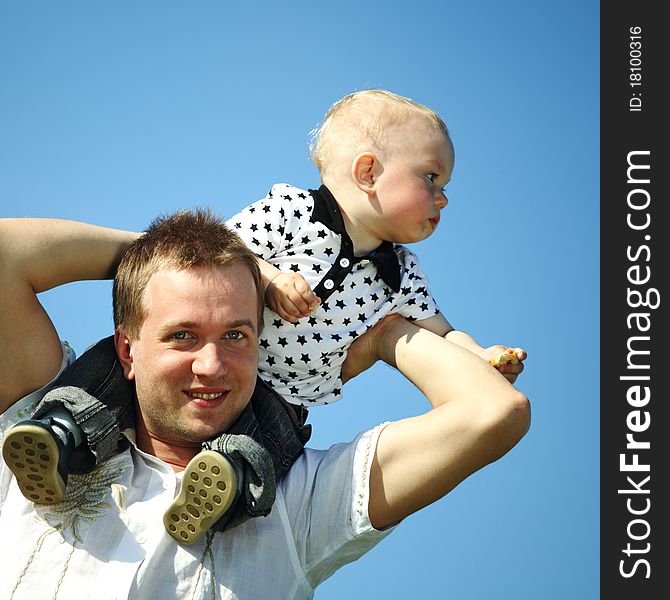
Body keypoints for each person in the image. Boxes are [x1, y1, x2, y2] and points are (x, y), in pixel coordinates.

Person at [3, 89, 526, 544]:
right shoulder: (292, 211)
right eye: (431, 178)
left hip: (284, 394)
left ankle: (222, 487)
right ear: (368, 171)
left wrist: (479, 356)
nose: (443, 197)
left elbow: (440, 330)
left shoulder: (402, 276)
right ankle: (57, 437)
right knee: (106, 377)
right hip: (206, 362)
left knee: (268, 446)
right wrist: (267, 277)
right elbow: (215, 254)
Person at [0, 211, 529, 598]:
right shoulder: (41, 417)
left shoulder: (303, 500)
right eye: (182, 335)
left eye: (236, 336)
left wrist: (389, 332)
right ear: (127, 350)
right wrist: (158, 255)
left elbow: (492, 412)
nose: (211, 364)